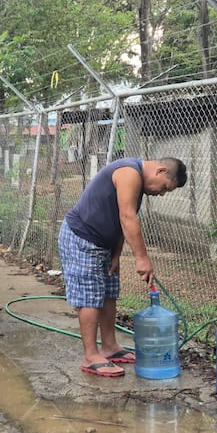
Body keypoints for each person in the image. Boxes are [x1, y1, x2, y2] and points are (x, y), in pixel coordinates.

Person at [58, 157, 188, 377]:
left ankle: (109, 347)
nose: (162, 193)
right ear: (161, 170)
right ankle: (91, 356)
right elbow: (127, 218)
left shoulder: (138, 185)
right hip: (82, 238)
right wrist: (142, 258)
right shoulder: (129, 172)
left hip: (104, 246)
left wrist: (116, 255)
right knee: (90, 298)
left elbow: (120, 221)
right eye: (165, 187)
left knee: (109, 293)